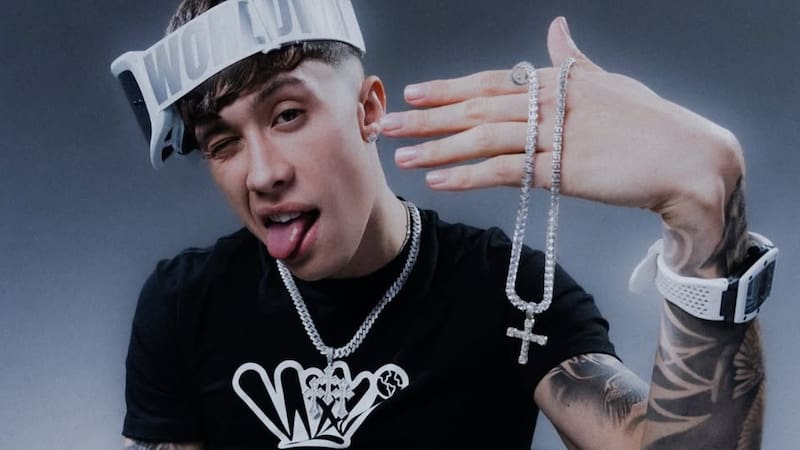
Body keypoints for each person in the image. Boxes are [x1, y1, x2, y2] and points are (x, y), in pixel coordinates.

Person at [113, 1, 774, 449]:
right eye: (222, 142)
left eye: (288, 114)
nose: (262, 174)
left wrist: (704, 217)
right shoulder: (184, 302)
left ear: (368, 109)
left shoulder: (511, 292)